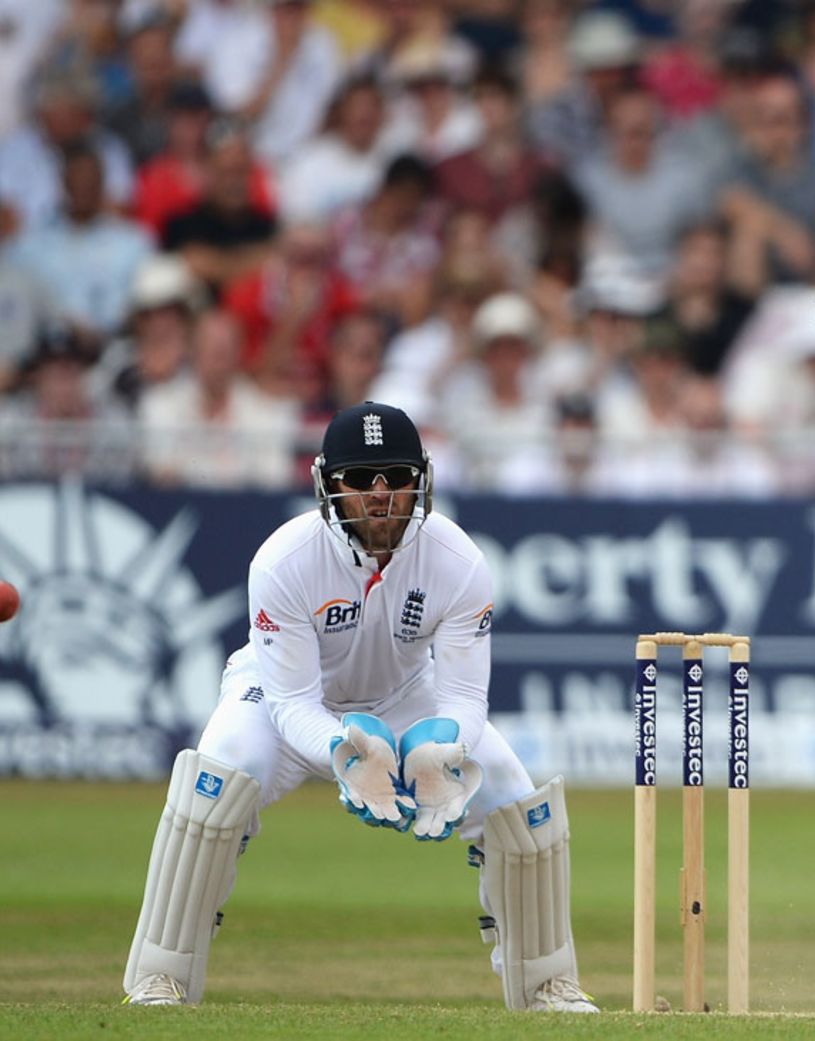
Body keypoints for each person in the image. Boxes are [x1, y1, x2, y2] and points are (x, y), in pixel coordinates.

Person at [122, 401, 598, 1014]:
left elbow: (463, 696)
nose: (382, 498)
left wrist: (442, 744)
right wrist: (348, 751)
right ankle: (162, 978)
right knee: (218, 776)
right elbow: (293, 701)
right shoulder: (282, 560)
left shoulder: (458, 562)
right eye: (361, 482)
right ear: (327, 484)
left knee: (513, 796)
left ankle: (545, 987)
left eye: (397, 478)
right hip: (279, 696)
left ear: (420, 478)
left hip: (403, 695)